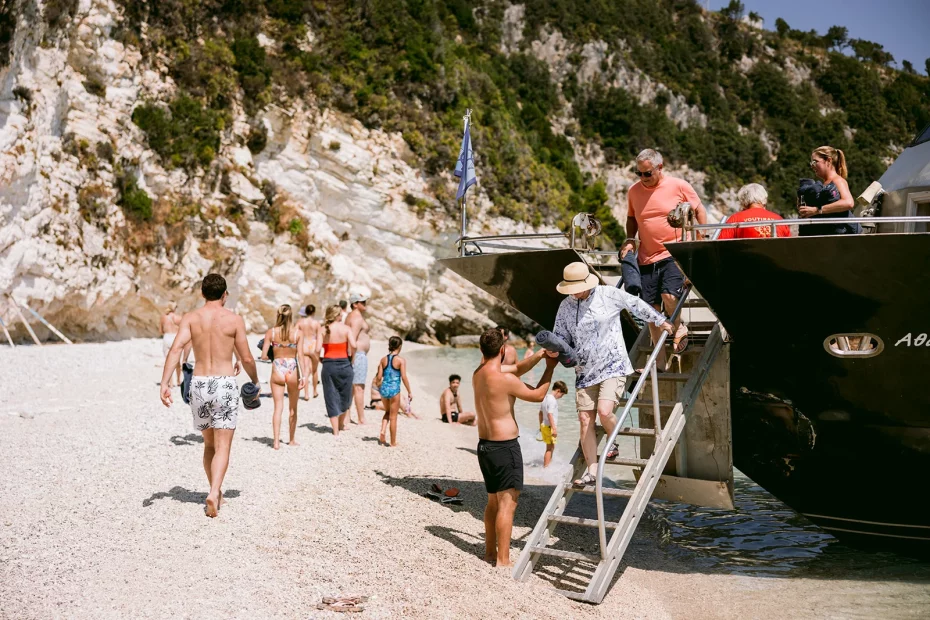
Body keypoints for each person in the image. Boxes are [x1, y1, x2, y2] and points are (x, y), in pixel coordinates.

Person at [553, 261, 674, 486]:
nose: (574, 293)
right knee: (584, 419)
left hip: (613, 365)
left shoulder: (607, 294)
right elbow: (560, 334)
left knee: (604, 410)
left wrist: (661, 321)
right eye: (571, 289)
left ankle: (613, 441)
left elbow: (636, 304)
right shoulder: (565, 306)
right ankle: (591, 470)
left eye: (577, 288)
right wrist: (555, 348)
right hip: (584, 369)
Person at [159, 274, 259, 518]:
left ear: (202, 294)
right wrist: (254, 380)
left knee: (209, 443)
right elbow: (246, 357)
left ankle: (215, 491)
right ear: (225, 294)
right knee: (224, 445)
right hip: (224, 384)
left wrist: (165, 383)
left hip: (200, 384)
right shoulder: (234, 319)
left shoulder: (191, 318)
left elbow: (176, 349)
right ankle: (214, 492)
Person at [473, 328, 558, 567]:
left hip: (485, 447)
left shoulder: (478, 374)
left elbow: (518, 369)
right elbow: (539, 395)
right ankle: (503, 560)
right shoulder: (504, 379)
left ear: (482, 350)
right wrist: (551, 368)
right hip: (504, 448)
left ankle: (490, 553)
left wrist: (541, 355)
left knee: (493, 502)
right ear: (502, 350)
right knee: (508, 505)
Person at [621, 148, 707, 369]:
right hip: (646, 256)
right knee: (650, 309)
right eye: (639, 173)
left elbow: (699, 210)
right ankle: (659, 361)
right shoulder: (634, 191)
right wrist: (630, 239)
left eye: (647, 173)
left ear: (660, 167)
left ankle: (679, 328)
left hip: (672, 252)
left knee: (669, 296)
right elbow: (631, 218)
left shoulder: (679, 186)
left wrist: (700, 238)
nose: (643, 178)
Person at [261, 305, 306, 450]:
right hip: (292, 367)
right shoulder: (297, 333)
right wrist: (304, 376)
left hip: (277, 367)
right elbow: (300, 356)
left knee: (278, 408)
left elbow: (263, 356)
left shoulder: (271, 332)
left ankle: (276, 442)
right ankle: (291, 440)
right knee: (293, 408)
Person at [799, 145, 859, 236]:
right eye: (811, 163)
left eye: (815, 162)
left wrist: (816, 210)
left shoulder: (837, 180)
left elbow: (848, 203)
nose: (812, 166)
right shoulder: (825, 184)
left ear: (829, 161)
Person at [320, 305, 357, 435]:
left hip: (328, 364)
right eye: (341, 314)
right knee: (345, 395)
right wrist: (352, 359)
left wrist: (321, 360)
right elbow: (354, 345)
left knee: (330, 395)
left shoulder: (323, 329)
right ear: (337, 315)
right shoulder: (346, 329)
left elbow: (316, 350)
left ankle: (335, 431)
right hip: (345, 363)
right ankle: (341, 424)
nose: (342, 316)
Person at [374, 336, 413, 447]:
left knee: (387, 412)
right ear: (400, 346)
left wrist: (379, 387)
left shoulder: (383, 360)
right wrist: (409, 391)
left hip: (384, 390)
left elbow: (379, 377)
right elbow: (404, 377)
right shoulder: (401, 360)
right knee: (393, 417)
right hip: (394, 390)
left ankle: (382, 430)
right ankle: (393, 442)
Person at [718, 184, 790, 239]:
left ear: (743, 201)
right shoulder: (779, 220)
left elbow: (721, 247)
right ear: (764, 199)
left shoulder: (735, 219)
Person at [345, 292, 371, 425]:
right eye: (363, 302)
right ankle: (361, 418)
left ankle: (347, 415)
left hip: (356, 355)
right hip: (358, 355)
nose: (365, 304)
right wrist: (352, 358)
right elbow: (352, 339)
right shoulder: (356, 318)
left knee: (351, 387)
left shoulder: (352, 316)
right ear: (355, 304)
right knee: (359, 387)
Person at [539, 381, 567, 468]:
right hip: (549, 426)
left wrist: (540, 425)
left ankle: (549, 464)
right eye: (562, 395)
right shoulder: (552, 401)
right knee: (549, 449)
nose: (561, 397)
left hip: (544, 425)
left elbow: (540, 413)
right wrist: (554, 428)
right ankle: (546, 467)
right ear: (558, 390)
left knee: (551, 447)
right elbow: (550, 414)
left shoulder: (545, 398)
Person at [296, 303, 322, 400]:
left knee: (305, 371)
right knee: (314, 371)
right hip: (313, 346)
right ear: (314, 312)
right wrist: (318, 350)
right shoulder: (317, 323)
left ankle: (306, 394)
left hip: (304, 346)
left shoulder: (300, 322)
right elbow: (319, 337)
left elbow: (295, 334)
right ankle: (314, 391)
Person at [160, 303, 183, 387]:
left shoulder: (163, 318)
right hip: (175, 338)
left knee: (168, 361)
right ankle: (178, 381)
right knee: (177, 361)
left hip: (167, 337)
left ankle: (170, 383)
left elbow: (161, 331)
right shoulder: (178, 318)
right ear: (175, 308)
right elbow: (183, 330)